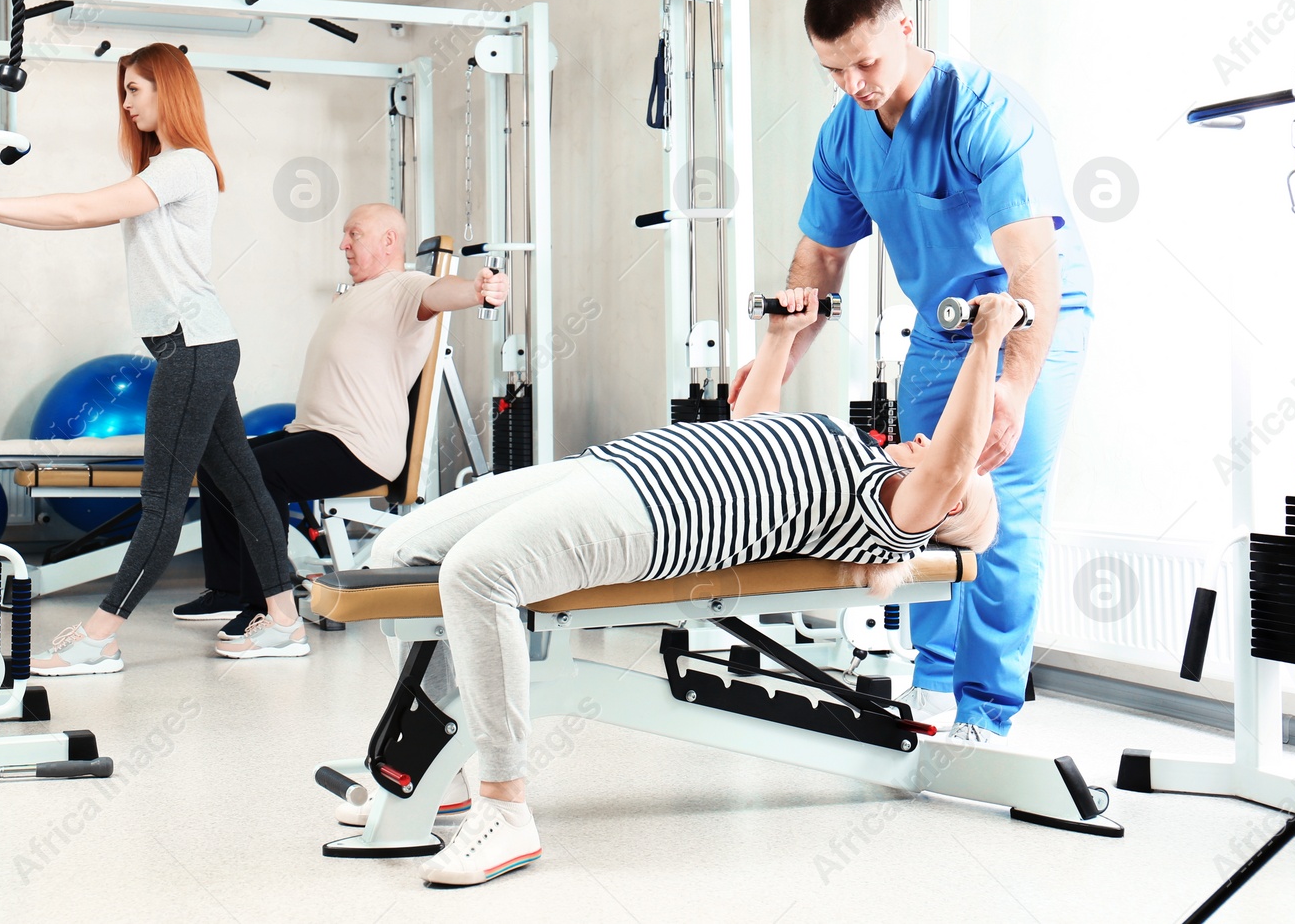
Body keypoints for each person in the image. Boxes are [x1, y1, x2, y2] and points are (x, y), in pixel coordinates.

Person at [365, 288, 1014, 887]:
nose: (931, 442)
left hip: (651, 515)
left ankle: (505, 810)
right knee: (398, 551)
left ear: (943, 510)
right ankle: (441, 774)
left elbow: (954, 457)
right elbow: (750, 419)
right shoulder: (854, 452)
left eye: (959, 488)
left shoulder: (889, 519)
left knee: (480, 574)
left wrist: (988, 342)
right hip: (615, 464)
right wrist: (784, 336)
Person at [737, 0, 1093, 739]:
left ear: (905, 30)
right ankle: (932, 683)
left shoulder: (986, 114)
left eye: (865, 62)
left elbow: (1033, 268)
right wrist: (780, 357)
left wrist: (1014, 387)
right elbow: (819, 262)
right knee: (917, 497)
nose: (855, 83)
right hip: (943, 324)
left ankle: (989, 709)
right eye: (834, 70)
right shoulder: (845, 132)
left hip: (1032, 312)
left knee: (1002, 503)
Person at [0, 42, 300, 672]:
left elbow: (84, 209)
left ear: (166, 90)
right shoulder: (171, 166)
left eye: (135, 88)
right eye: (124, 89)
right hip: (201, 345)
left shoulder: (185, 165)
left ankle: (99, 637)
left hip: (194, 349)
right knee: (245, 487)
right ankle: (284, 621)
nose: (126, 101)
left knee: (162, 499)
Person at [177, 203, 508, 657]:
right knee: (219, 461)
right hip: (314, 432)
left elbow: (441, 292)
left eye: (354, 234)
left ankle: (270, 614)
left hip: (357, 446)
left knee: (257, 475)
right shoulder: (357, 293)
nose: (343, 244)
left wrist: (476, 289)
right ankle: (229, 590)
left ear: (388, 241)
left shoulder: (405, 287)